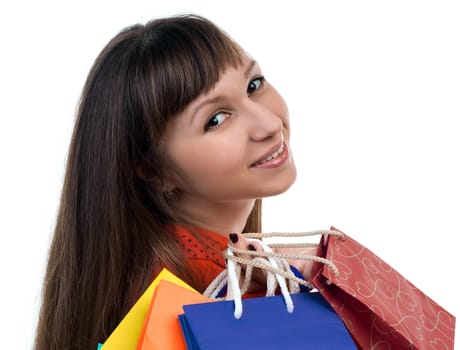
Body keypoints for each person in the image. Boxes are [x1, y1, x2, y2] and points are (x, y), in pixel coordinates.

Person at [34, 13, 304, 350]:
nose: (268, 124)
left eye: (254, 86)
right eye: (216, 119)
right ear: (153, 170)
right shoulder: (208, 302)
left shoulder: (229, 272)